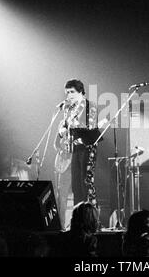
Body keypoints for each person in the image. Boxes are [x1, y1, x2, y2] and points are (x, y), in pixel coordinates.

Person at [55, 79, 100, 226]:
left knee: (86, 183)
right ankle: (78, 221)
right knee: (76, 185)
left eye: (72, 92)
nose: (69, 95)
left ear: (80, 92)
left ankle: (92, 221)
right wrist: (62, 130)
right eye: (67, 92)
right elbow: (65, 127)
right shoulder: (69, 108)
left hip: (87, 147)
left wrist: (73, 131)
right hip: (74, 150)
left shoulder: (89, 106)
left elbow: (91, 128)